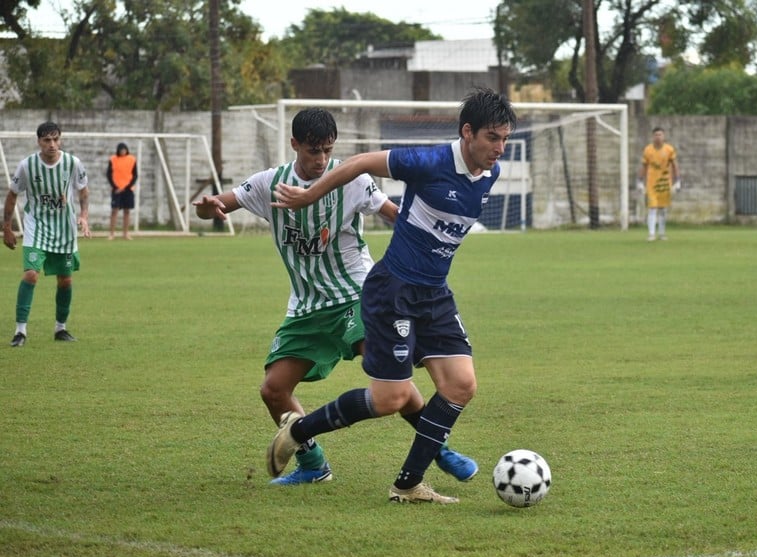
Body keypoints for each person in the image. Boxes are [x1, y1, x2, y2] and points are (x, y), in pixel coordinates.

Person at [193, 107, 478, 486]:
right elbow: (219, 205)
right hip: (307, 306)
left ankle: (437, 448)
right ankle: (313, 464)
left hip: (356, 296)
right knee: (273, 390)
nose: (321, 160)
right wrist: (207, 207)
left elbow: (393, 212)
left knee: (392, 384)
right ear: (294, 144)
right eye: (313, 151)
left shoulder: (351, 180)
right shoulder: (269, 183)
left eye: (327, 150)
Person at [268, 87, 517, 504]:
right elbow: (362, 162)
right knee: (392, 398)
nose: (500, 148)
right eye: (493, 137)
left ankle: (407, 485)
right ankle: (298, 431)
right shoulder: (431, 161)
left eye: (506, 139)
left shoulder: (490, 174)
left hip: (434, 294)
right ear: (468, 132)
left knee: (461, 384)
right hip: (393, 290)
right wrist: (311, 195)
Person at [3, 121, 91, 347]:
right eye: (47, 140)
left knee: (65, 280)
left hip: (65, 230)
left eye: (55, 139)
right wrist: (6, 227)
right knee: (31, 274)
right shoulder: (27, 165)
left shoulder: (73, 163)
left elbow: (83, 191)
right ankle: (20, 331)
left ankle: (60, 328)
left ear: (60, 140)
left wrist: (84, 216)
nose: (52, 145)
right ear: (39, 142)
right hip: (36, 227)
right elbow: (12, 195)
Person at [637, 127, 680, 242]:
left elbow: (675, 165)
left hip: (665, 183)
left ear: (664, 136)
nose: (658, 137)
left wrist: (678, 181)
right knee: (652, 208)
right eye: (656, 135)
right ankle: (651, 234)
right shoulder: (648, 150)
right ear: (653, 136)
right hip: (651, 183)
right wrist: (640, 181)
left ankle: (661, 233)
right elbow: (644, 166)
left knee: (663, 209)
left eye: (660, 135)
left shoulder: (669, 149)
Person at [106, 142, 138, 240]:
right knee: (114, 211)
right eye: (121, 150)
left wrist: (126, 187)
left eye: (124, 150)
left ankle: (126, 233)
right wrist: (116, 187)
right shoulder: (113, 159)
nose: (123, 152)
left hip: (128, 189)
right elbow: (109, 174)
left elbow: (135, 175)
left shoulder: (132, 159)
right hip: (116, 190)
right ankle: (111, 233)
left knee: (127, 211)